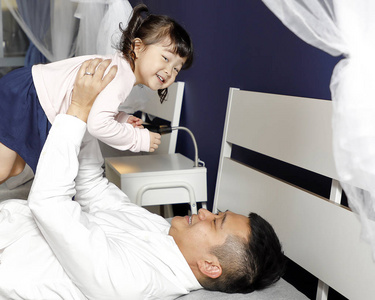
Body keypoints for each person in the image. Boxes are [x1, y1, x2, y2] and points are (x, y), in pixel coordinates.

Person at [0, 59, 285, 299]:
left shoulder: (133, 280)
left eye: (215, 222)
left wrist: (76, 112)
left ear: (210, 266)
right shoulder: (163, 232)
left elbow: (49, 205)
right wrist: (88, 115)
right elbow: (93, 190)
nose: (203, 211)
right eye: (216, 213)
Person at [0, 3, 193, 189]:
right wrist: (138, 139)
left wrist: (121, 118)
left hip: (30, 91)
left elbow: (95, 106)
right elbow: (97, 125)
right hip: (28, 96)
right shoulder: (121, 76)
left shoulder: (121, 68)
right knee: (4, 168)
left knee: (16, 167)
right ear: (138, 47)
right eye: (166, 58)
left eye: (177, 68)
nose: (169, 71)